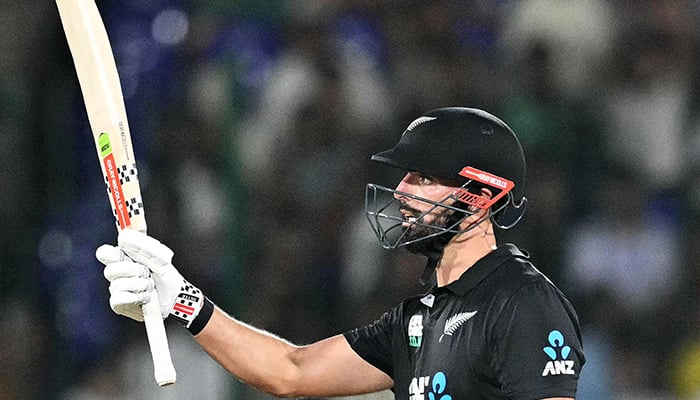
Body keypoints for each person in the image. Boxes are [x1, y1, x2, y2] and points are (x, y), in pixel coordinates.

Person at [96, 107, 585, 399]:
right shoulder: (418, 319)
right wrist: (180, 298)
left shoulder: (522, 303)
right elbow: (290, 370)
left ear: (483, 196)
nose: (400, 191)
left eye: (422, 178)